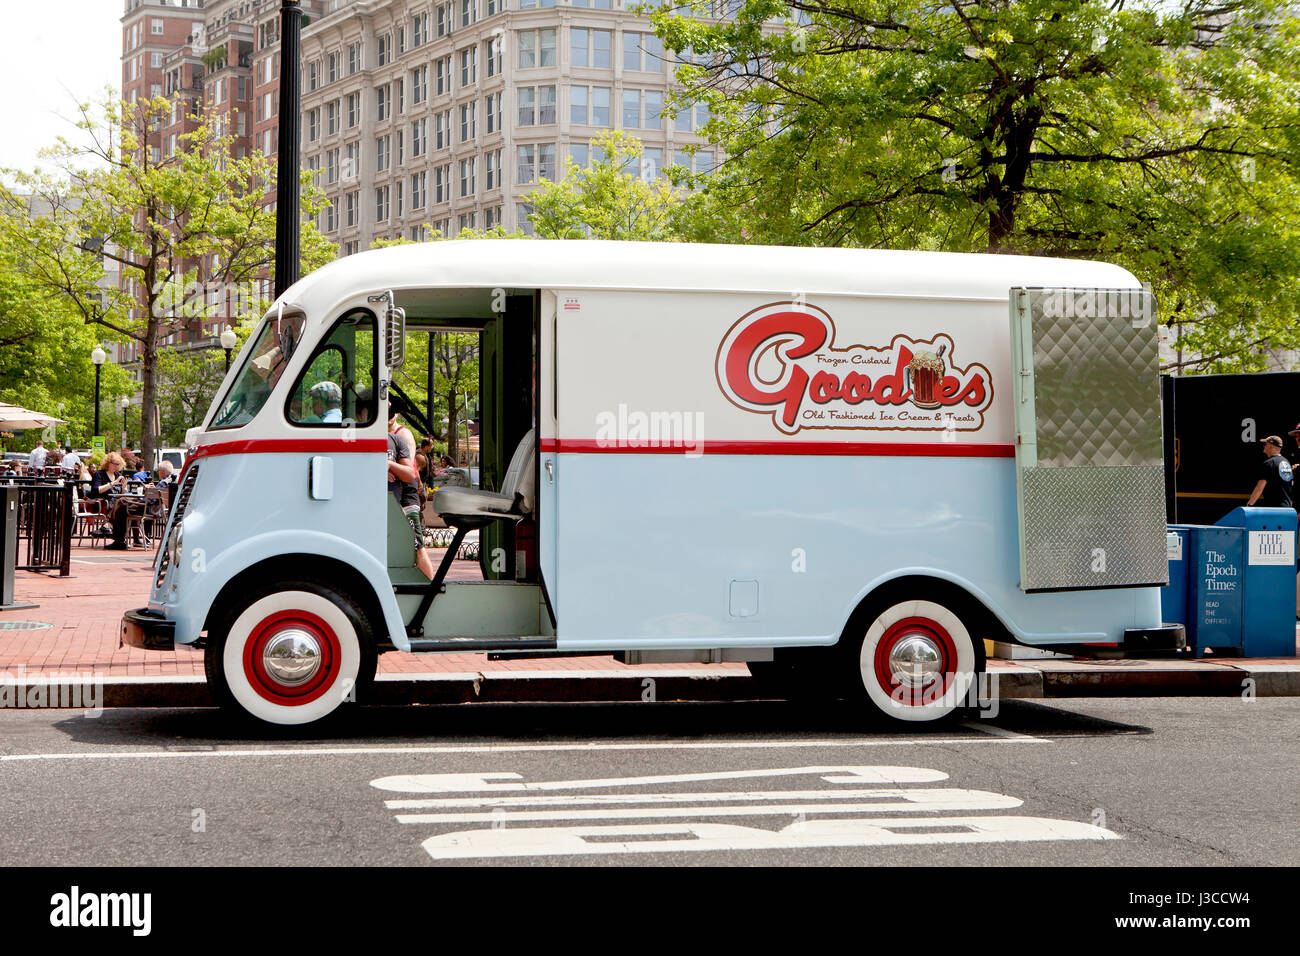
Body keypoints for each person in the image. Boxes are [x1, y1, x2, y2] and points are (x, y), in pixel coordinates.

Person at [388, 413, 435, 580]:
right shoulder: (386, 434)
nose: (388, 417)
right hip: (398, 495)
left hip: (407, 495)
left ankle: (430, 585)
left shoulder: (402, 434)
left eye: (391, 413)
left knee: (417, 546)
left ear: (396, 414)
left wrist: (390, 468)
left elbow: (408, 471)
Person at [89, 452, 140, 550]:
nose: (115, 466)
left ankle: (122, 537)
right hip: (104, 502)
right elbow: (96, 490)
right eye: (114, 463)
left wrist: (124, 487)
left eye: (118, 464)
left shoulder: (118, 474)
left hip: (118, 502)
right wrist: (113, 483)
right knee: (123, 507)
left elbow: (122, 493)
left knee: (129, 508)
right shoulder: (99, 474)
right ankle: (119, 540)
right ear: (108, 462)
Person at [1245, 436, 1293, 509]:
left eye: (1265, 444)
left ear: (1271, 446)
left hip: (1273, 508)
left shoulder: (1269, 463)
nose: (1264, 446)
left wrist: (1249, 505)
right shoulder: (1286, 462)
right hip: (1287, 508)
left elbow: (1259, 487)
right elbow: (1291, 484)